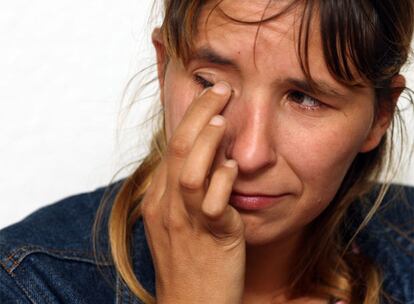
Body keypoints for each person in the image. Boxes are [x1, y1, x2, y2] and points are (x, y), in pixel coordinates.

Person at [1, 1, 413, 303]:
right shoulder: (28, 284)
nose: (250, 155)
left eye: (305, 98)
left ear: (380, 114)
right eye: (212, 83)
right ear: (164, 71)